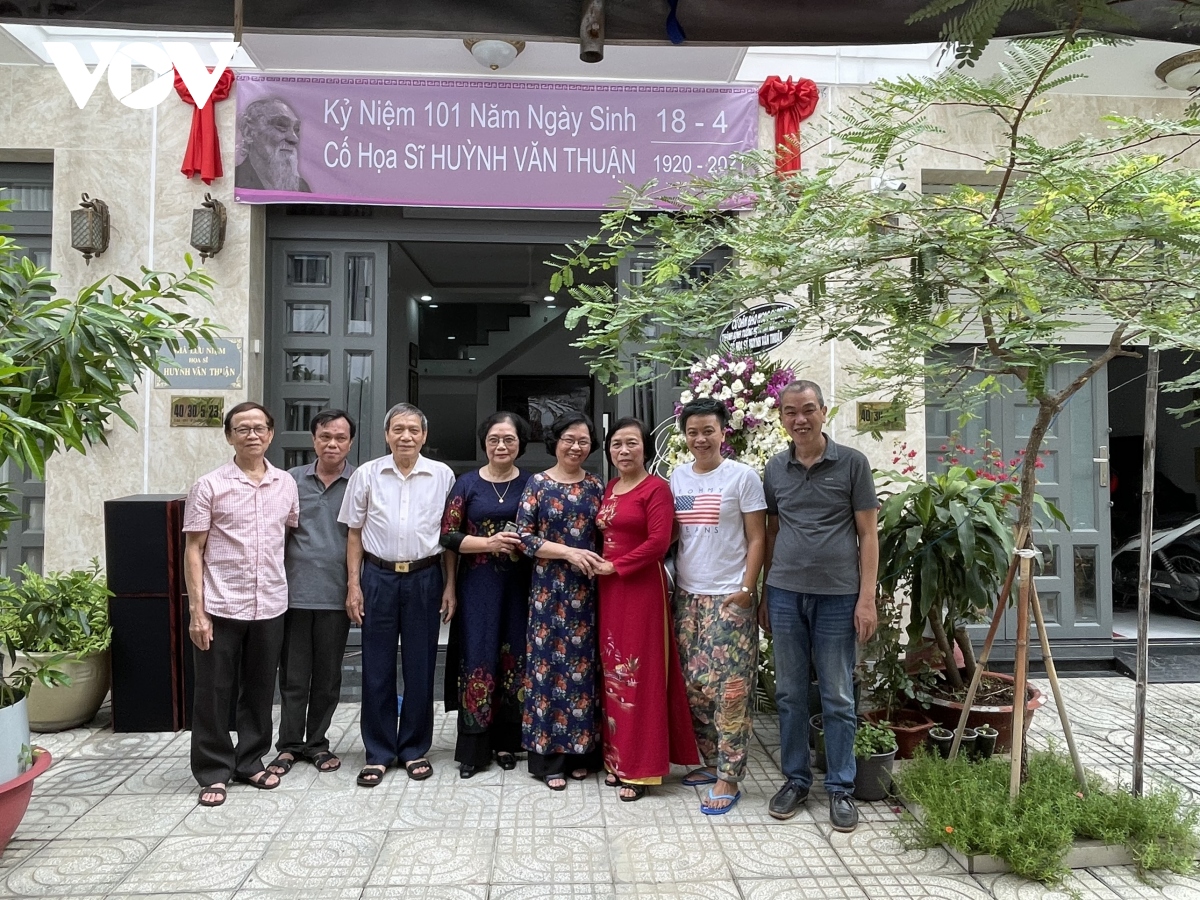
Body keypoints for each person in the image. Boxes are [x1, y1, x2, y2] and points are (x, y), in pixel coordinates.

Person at [762, 380, 879, 832]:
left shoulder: (852, 463)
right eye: (791, 412)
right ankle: (795, 780)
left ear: (824, 412)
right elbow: (771, 532)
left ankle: (841, 788)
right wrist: (763, 592)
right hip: (785, 593)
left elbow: (868, 534)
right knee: (789, 693)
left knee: (837, 694)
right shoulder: (774, 468)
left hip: (838, 596)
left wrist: (866, 598)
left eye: (808, 409)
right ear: (781, 418)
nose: (800, 419)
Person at [183, 402, 299, 808]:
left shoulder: (286, 483)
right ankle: (213, 769)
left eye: (259, 428)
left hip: (270, 603)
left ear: (271, 434)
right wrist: (197, 611)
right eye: (242, 428)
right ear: (229, 435)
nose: (252, 435)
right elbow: (193, 549)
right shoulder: (209, 485)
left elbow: (286, 536)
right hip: (221, 604)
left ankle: (250, 761)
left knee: (260, 688)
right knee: (214, 690)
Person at [339, 402, 455, 787]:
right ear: (387, 434)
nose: (406, 437)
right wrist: (354, 585)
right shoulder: (367, 475)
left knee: (421, 665)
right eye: (398, 429)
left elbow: (450, 537)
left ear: (424, 435)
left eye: (414, 430)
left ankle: (414, 748)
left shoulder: (442, 475)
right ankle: (379, 750)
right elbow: (354, 533)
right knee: (377, 665)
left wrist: (450, 584)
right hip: (378, 576)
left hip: (425, 576)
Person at [670, 398, 767, 814]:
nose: (700, 439)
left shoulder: (742, 477)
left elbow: (759, 537)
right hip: (688, 596)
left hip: (730, 595)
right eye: (693, 432)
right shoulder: (677, 477)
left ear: (723, 432)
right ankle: (710, 760)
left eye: (708, 430)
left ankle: (730, 774)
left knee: (731, 689)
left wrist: (748, 588)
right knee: (695, 683)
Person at [595, 417, 699, 801]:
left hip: (639, 588)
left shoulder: (656, 489)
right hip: (610, 590)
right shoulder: (611, 487)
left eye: (632, 443)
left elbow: (659, 543)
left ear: (645, 448)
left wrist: (616, 565)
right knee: (613, 673)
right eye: (617, 444)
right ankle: (617, 759)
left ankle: (642, 769)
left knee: (639, 676)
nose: (624, 451)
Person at [515, 412, 606, 790]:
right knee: (548, 672)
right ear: (555, 441)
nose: (576, 447)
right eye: (569, 439)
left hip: (587, 593)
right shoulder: (538, 484)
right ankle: (549, 758)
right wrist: (568, 552)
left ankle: (582, 753)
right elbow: (523, 538)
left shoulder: (597, 487)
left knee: (582, 673)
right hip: (548, 592)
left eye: (583, 441)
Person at [440, 412, 534, 778]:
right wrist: (487, 544)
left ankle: (509, 742)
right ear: (485, 442)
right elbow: (447, 535)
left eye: (509, 439)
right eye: (494, 439)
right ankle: (474, 749)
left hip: (520, 585)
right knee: (477, 659)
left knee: (515, 661)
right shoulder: (466, 484)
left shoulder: (531, 483)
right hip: (477, 585)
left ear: (519, 444)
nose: (501, 446)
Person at [267, 410, 356, 779]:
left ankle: (317, 743)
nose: (332, 444)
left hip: (336, 596)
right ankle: (288, 745)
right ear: (313, 440)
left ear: (350, 442)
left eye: (340, 437)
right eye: (325, 437)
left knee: (328, 675)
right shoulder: (290, 481)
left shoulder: (359, 481)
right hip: (293, 595)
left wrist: (356, 586)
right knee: (293, 675)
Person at [235, 97, 312, 192]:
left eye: (296, 129)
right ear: (248, 133)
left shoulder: (302, 187)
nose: (294, 139)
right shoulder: (236, 182)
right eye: (281, 125)